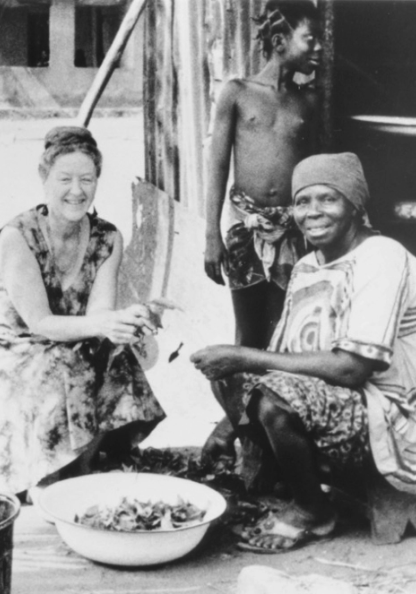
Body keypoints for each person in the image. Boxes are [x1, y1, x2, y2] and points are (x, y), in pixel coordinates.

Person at [191, 153, 416, 553]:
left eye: (328, 199)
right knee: (230, 373)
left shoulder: (382, 256)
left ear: (355, 205)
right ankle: (285, 480)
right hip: (344, 399)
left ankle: (314, 509)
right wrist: (226, 426)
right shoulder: (308, 265)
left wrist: (246, 357)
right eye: (303, 201)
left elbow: (353, 368)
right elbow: (283, 351)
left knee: (275, 394)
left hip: (394, 407)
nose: (313, 212)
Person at [0, 126, 166, 498]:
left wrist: (129, 324)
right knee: (62, 368)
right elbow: (40, 322)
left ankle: (80, 469)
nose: (77, 190)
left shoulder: (108, 238)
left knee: (117, 358)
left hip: (65, 338)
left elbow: (98, 314)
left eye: (87, 179)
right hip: (8, 350)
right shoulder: (18, 236)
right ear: (44, 177)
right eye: (65, 179)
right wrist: (104, 324)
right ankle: (44, 476)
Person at [201, 0, 323, 463]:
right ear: (278, 40)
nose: (318, 50)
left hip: (292, 235)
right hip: (244, 231)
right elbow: (216, 166)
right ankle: (243, 438)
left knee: (281, 335)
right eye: (309, 40)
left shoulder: (308, 101)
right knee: (247, 335)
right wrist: (211, 233)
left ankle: (254, 443)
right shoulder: (237, 93)